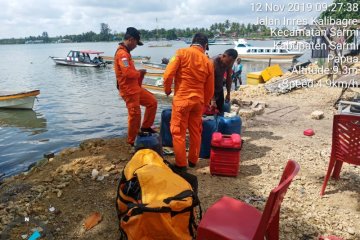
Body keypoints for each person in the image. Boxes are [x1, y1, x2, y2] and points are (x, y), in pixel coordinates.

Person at [163, 33, 214, 171]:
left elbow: (168, 74)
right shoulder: (207, 61)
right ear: (205, 46)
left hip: (182, 100)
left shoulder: (181, 53)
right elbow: (210, 88)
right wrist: (205, 103)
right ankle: (192, 161)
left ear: (192, 42)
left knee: (178, 133)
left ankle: (181, 164)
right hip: (198, 102)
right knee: (195, 131)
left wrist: (167, 89)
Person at [114, 27, 157, 150]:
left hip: (135, 88)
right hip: (128, 90)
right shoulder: (122, 54)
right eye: (136, 43)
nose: (136, 46)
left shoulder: (126, 53)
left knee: (152, 102)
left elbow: (129, 72)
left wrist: (137, 73)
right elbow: (128, 73)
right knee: (135, 115)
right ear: (131, 40)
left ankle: (145, 127)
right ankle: (132, 141)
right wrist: (140, 73)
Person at [210, 49, 238, 114]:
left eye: (231, 62)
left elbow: (229, 77)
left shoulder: (230, 62)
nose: (227, 64)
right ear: (223, 56)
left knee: (220, 111)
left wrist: (228, 93)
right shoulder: (213, 62)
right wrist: (212, 99)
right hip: (209, 91)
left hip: (219, 90)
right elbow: (209, 81)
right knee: (210, 112)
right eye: (227, 62)